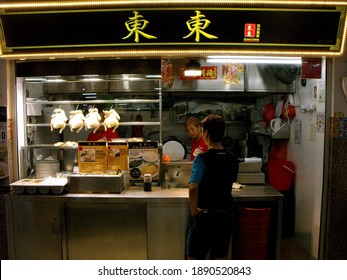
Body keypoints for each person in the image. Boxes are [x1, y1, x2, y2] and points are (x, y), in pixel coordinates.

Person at [186, 114, 239, 260]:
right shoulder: (232, 159)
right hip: (225, 217)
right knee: (219, 258)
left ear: (206, 133)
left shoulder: (201, 159)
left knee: (195, 258)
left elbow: (193, 188)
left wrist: (194, 211)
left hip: (205, 216)